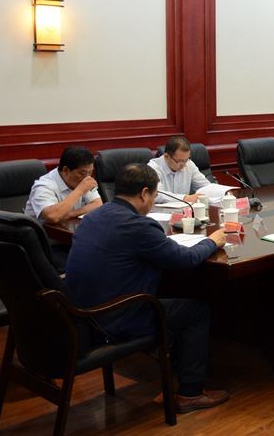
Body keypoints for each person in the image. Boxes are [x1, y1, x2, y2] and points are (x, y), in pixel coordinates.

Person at [65, 164, 229, 412]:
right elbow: (184, 260)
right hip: (114, 317)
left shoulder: (94, 216)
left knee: (172, 293)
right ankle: (190, 393)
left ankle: (171, 379)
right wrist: (211, 241)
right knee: (196, 311)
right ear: (144, 193)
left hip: (82, 313)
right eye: (154, 195)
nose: (152, 202)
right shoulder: (138, 226)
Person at [25, 146, 102, 224]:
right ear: (66, 170)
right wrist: (80, 190)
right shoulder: (43, 186)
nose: (87, 178)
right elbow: (52, 216)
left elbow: (97, 204)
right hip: (43, 230)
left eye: (90, 172)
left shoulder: (84, 179)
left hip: (69, 227)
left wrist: (71, 214)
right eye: (82, 173)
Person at [148, 136, 211, 203]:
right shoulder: (153, 168)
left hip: (185, 209)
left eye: (186, 160)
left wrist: (217, 191)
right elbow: (156, 194)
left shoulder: (189, 164)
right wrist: (185, 198)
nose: (184, 165)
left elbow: (206, 187)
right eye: (180, 161)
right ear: (166, 156)